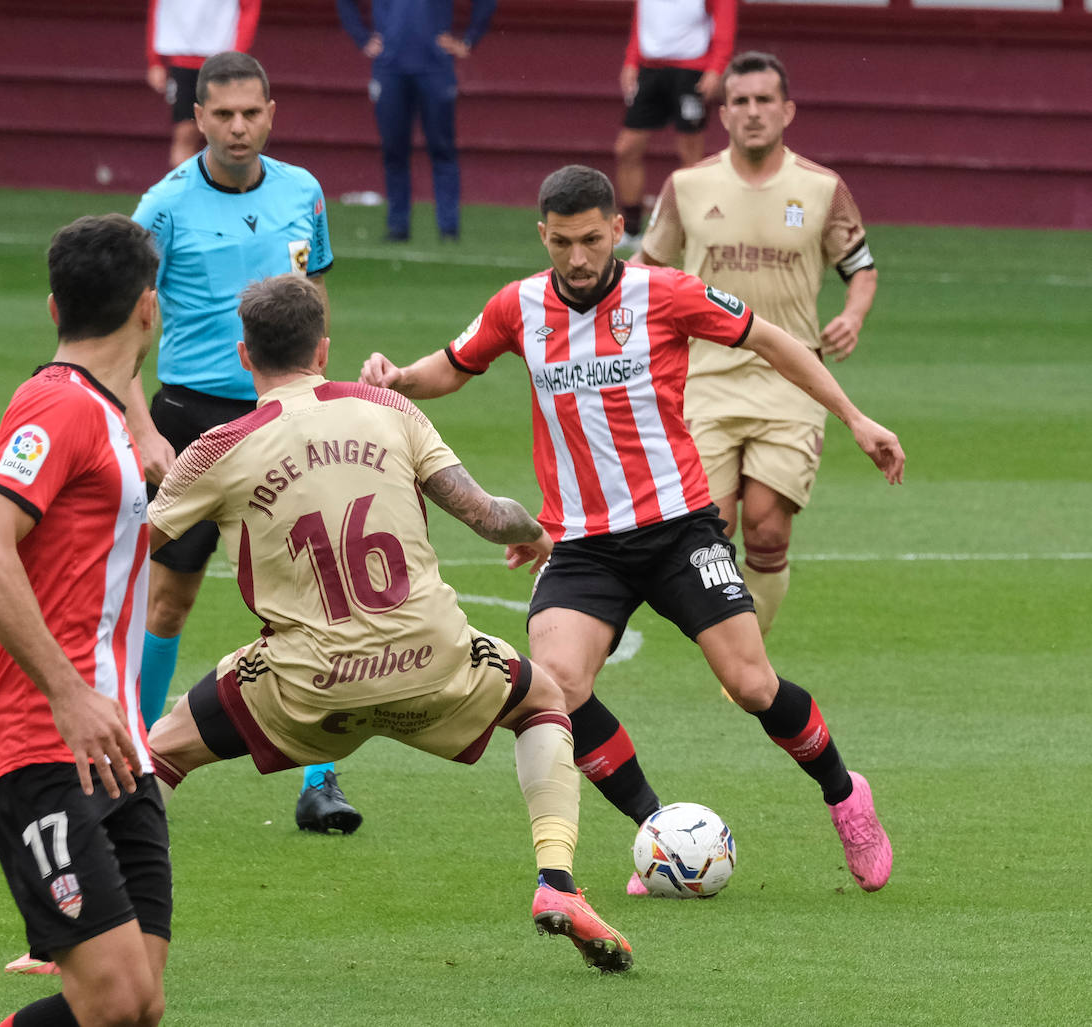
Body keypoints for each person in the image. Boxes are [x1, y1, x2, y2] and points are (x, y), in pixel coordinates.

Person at [360, 164, 901, 896]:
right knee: (556, 687)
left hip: (680, 529)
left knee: (749, 682)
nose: (577, 258)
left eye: (590, 240)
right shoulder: (517, 305)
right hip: (583, 546)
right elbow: (455, 366)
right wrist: (397, 379)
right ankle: (659, 833)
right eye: (561, 242)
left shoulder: (665, 293)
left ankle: (845, 795)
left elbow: (774, 341)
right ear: (542, 235)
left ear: (619, 230)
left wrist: (856, 418)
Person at [145, 273, 632, 973]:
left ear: (244, 356)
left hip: (307, 684)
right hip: (433, 663)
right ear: (323, 348)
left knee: (158, 753)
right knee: (544, 700)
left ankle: (102, 927)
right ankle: (556, 882)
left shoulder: (218, 447)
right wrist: (536, 533)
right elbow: (489, 515)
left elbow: (134, 550)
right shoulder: (388, 408)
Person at [0, 214, 171, 1023]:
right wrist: (61, 691)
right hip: (43, 743)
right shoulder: (56, 408)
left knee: (136, 1003)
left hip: (116, 745)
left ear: (53, 307)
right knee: (107, 1000)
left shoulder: (99, 413)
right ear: (148, 307)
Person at [127, 51, 361, 833]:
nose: (236, 127)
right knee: (171, 595)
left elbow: (316, 295)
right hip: (192, 416)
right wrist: (139, 424)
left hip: (291, 413)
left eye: (249, 113)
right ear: (197, 118)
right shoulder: (161, 208)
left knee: (324, 596)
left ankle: (321, 780)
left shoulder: (305, 192)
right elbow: (120, 328)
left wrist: (327, 384)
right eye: (221, 114)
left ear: (271, 112)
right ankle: (134, 754)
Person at [637, 50, 878, 638]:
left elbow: (862, 266)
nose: (752, 113)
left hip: (792, 381)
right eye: (740, 101)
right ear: (723, 114)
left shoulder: (821, 189)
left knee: (768, 528)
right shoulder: (688, 187)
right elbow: (645, 268)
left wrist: (852, 313)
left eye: (764, 101)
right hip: (703, 382)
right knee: (710, 530)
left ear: (787, 110)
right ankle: (733, 649)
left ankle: (749, 659)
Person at [336, 0, 497, 242]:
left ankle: (448, 228)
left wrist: (468, 39)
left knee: (442, 148)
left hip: (435, 68)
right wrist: (362, 38)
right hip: (390, 68)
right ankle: (398, 226)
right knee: (394, 150)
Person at [614, 0, 737, 250]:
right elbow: (643, 20)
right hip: (649, 70)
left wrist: (717, 67)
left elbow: (725, 19)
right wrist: (631, 60)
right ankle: (632, 229)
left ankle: (689, 231)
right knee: (626, 148)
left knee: (690, 154)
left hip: (692, 71)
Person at [145, 0, 261, 168]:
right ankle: (185, 191)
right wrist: (154, 60)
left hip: (222, 60)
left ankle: (223, 190)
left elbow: (250, 8)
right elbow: (158, 7)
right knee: (185, 132)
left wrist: (236, 57)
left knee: (225, 133)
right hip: (182, 58)